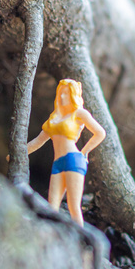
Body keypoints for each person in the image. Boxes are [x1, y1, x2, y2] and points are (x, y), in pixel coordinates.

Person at [27, 79, 106, 226]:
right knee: (52, 205)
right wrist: (17, 154)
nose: (63, 97)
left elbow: (100, 133)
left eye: (67, 94)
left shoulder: (79, 113)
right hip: (58, 163)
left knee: (73, 206)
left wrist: (85, 151)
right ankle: (50, 235)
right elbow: (38, 142)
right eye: (61, 93)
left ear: (73, 96)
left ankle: (84, 243)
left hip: (73, 160)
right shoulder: (54, 119)